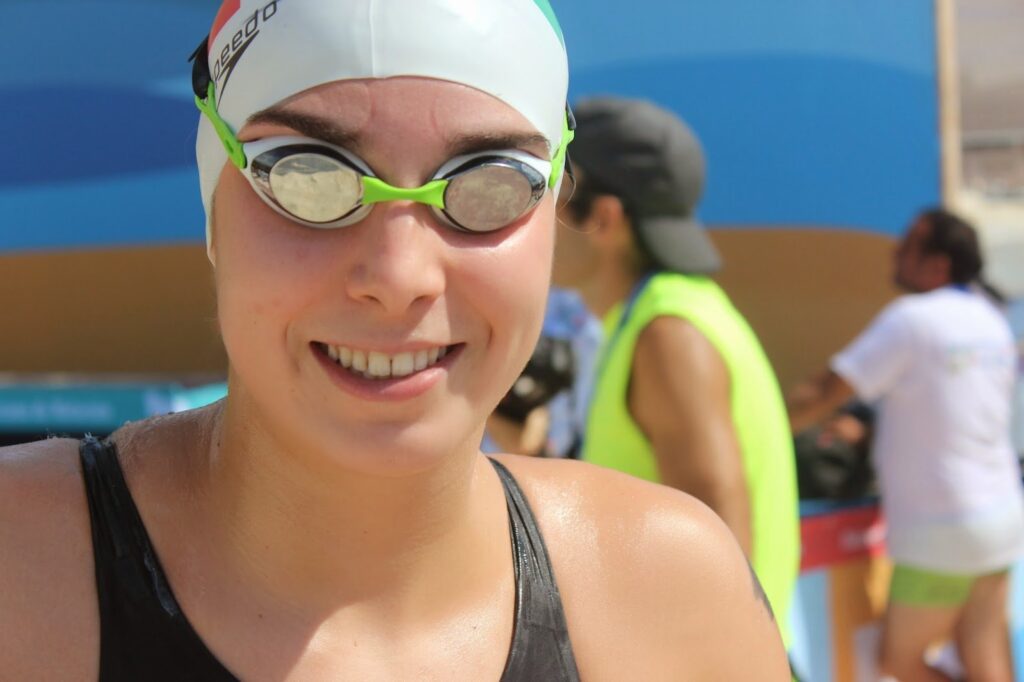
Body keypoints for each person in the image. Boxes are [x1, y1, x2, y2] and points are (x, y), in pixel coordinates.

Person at [0, 1, 789, 679]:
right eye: (307, 176)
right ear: (215, 203)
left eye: (489, 184)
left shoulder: (664, 599)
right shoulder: (22, 579)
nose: (399, 275)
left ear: (554, 206)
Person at [552, 96, 801, 646]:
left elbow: (722, 557)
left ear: (603, 217)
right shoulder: (669, 313)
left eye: (547, 190)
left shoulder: (669, 334)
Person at [788, 208, 1024, 681]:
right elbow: (947, 409)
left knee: (897, 661)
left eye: (908, 246)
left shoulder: (912, 319)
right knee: (986, 658)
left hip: (941, 530)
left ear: (938, 265)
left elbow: (824, 391)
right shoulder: (991, 319)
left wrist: (755, 432)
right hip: (1000, 516)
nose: (895, 253)